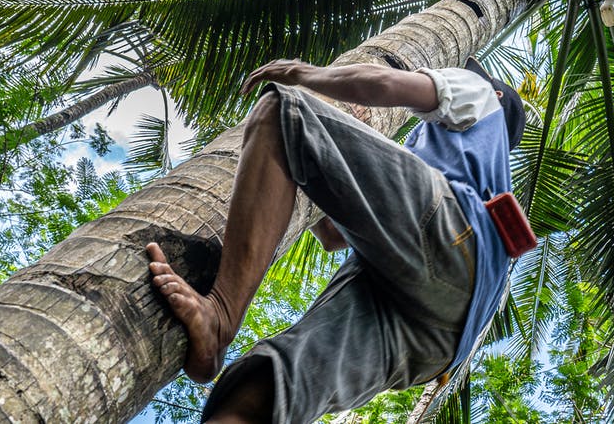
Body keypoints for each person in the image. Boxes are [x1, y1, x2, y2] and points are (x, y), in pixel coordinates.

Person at [145, 56, 526, 423]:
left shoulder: (478, 92)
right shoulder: (476, 167)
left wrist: (299, 73)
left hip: (454, 243)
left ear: (495, 96)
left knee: (282, 113)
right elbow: (330, 234)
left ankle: (222, 315)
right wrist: (312, 165)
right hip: (439, 343)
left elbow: (384, 84)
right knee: (262, 395)